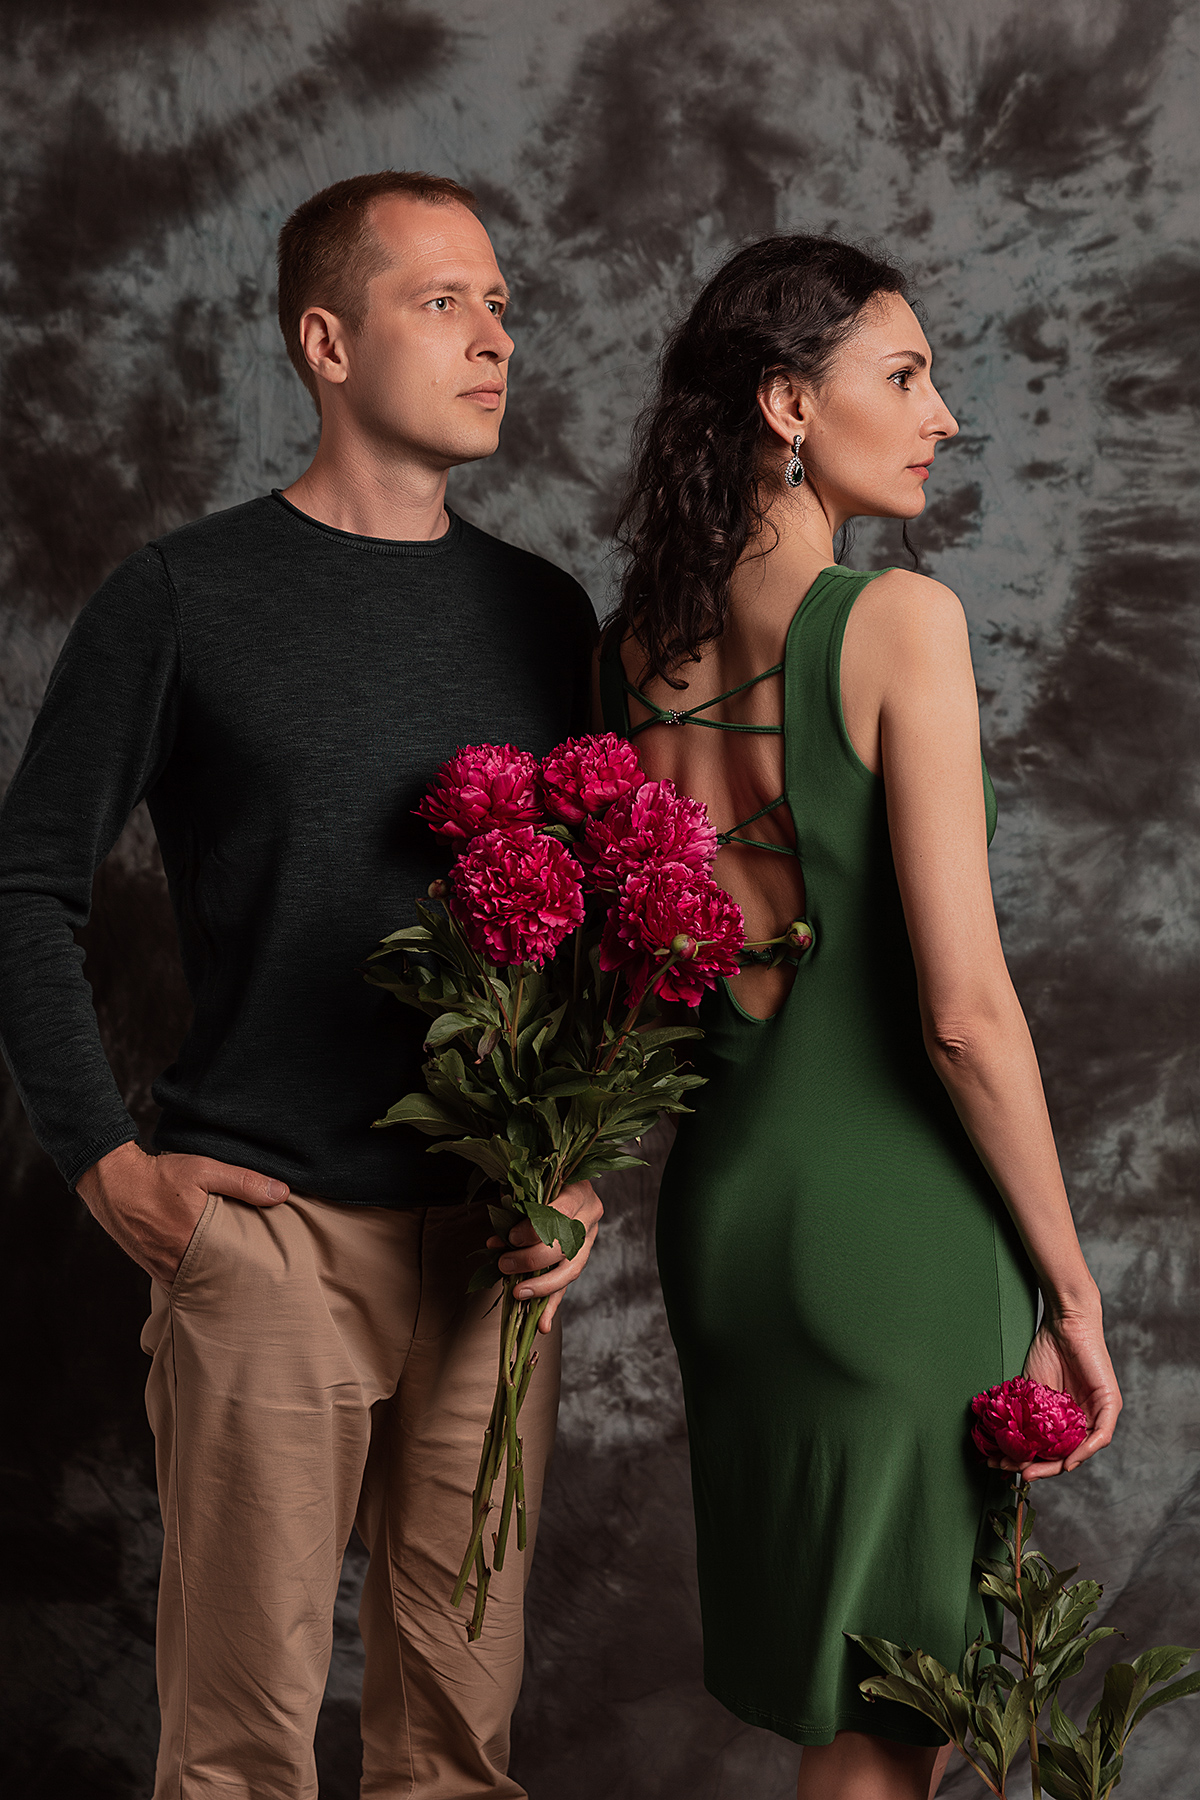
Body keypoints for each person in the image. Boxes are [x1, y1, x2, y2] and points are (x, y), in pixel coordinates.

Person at [0, 170, 602, 1799]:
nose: (495, 339)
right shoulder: (184, 597)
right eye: (443, 302)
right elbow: (28, 884)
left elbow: (599, 916)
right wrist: (107, 1164)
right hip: (266, 1241)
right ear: (327, 344)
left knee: (457, 1753)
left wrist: (581, 1168)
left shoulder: (545, 616)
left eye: (500, 305)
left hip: (490, 1250)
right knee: (238, 1757)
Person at [597, 235, 1122, 1800]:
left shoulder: (637, 653)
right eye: (904, 376)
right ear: (785, 404)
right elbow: (964, 1016)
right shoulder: (898, 623)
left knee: (853, 1706)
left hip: (732, 1220)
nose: (941, 414)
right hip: (893, 1230)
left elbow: (645, 992)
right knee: (897, 1722)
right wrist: (1072, 1290)